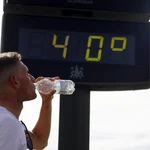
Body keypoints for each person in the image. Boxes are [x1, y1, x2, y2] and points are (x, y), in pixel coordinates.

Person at [0, 51, 58, 150]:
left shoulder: (6, 121)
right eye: (27, 74)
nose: (32, 78)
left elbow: (40, 141)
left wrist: (46, 101)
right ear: (15, 81)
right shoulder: (7, 123)